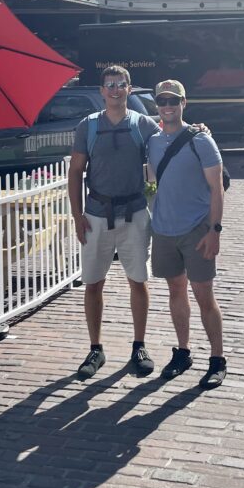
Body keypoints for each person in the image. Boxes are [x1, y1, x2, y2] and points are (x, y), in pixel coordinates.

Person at [68, 66, 160, 380]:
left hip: (134, 213)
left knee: (138, 280)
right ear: (102, 92)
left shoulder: (142, 124)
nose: (116, 90)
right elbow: (75, 171)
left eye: (121, 84)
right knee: (93, 283)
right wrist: (77, 215)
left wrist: (197, 129)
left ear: (129, 90)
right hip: (96, 213)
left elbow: (171, 137)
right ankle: (96, 348)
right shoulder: (88, 126)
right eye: (110, 85)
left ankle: (139, 345)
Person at [147, 79, 227, 389]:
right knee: (176, 292)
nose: (167, 106)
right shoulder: (152, 141)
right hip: (164, 230)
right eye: (162, 101)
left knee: (204, 295)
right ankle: (183, 352)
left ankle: (218, 358)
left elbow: (217, 188)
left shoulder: (200, 140)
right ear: (157, 105)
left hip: (196, 229)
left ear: (184, 103)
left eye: (173, 100)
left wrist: (214, 230)